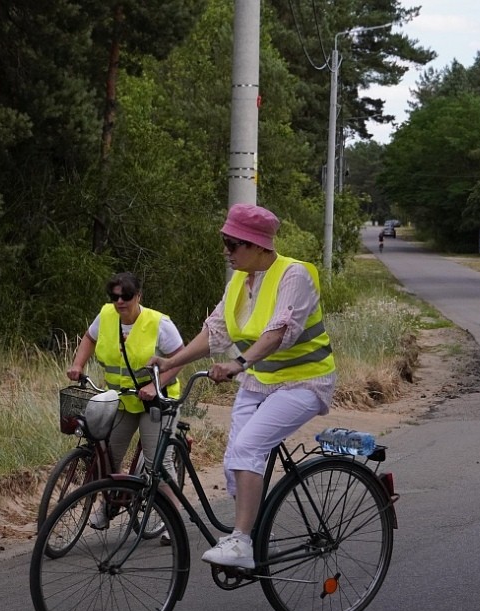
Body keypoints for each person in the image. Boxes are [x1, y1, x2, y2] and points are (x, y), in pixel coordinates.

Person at [151, 203, 336, 569]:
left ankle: (241, 541)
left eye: (232, 244)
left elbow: (279, 332)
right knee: (235, 455)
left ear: (256, 245)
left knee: (250, 446)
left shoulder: (295, 276)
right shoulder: (240, 279)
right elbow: (215, 331)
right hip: (260, 381)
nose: (226, 251)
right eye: (225, 242)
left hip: (305, 382)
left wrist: (238, 364)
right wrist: (172, 362)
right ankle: (248, 526)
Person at [66, 271, 184, 528]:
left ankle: (174, 519)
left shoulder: (158, 323)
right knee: (108, 455)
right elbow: (89, 337)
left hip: (157, 401)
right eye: (114, 296)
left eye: (126, 296)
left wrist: (156, 386)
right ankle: (108, 505)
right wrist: (78, 364)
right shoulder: (106, 315)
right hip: (123, 399)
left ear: (138, 296)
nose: (119, 301)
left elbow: (180, 358)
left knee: (158, 464)